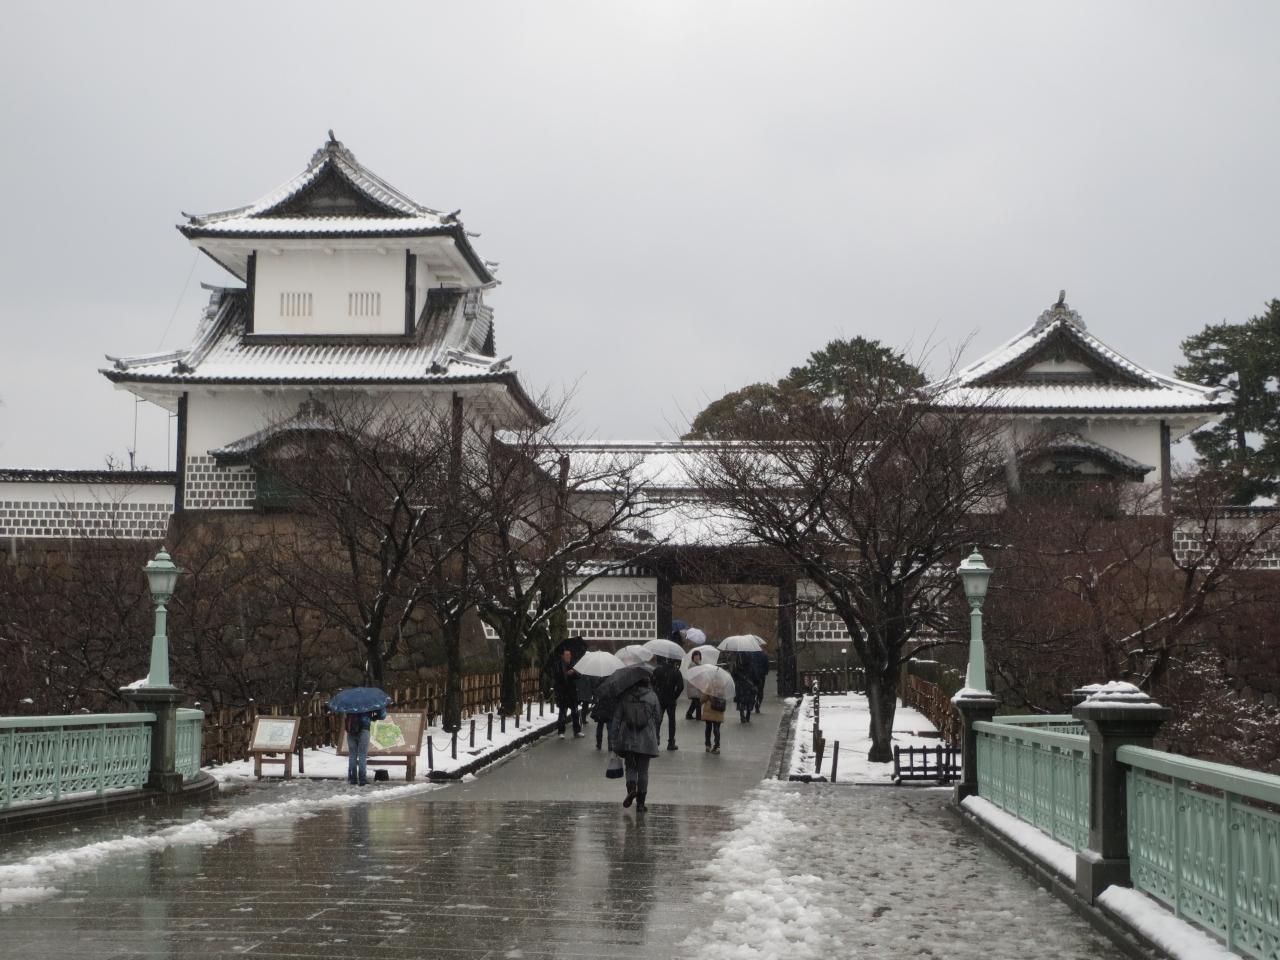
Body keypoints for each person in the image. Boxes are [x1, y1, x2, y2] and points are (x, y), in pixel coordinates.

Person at [610, 673, 661, 811]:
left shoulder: (625, 696)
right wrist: (656, 735)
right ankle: (640, 804)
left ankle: (632, 789)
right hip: (647, 739)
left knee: (630, 767)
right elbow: (658, 717)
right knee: (643, 771)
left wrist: (613, 739)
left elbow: (616, 718)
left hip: (628, 738)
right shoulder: (652, 696)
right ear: (647, 682)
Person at [346, 705, 387, 785]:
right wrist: (373, 717)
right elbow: (382, 715)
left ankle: (353, 779)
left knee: (352, 755)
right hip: (364, 729)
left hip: (351, 729)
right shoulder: (369, 701)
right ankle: (362, 779)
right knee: (362, 755)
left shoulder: (349, 700)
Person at [652, 656, 684, 750]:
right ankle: (671, 743)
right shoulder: (676, 672)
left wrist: (657, 692)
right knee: (671, 721)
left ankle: (655, 740)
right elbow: (680, 687)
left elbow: (652, 681)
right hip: (670, 700)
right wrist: (674, 696)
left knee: (658, 720)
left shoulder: (658, 670)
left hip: (660, 698)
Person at [552, 648, 583, 738]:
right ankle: (561, 731)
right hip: (562, 692)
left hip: (572, 692)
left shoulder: (573, 664)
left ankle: (577, 731)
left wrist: (574, 672)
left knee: (575, 712)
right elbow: (557, 677)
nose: (569, 656)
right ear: (562, 656)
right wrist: (566, 674)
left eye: (569, 655)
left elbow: (578, 676)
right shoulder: (558, 664)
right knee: (562, 713)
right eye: (566, 655)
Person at [732, 656, 757, 724]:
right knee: (749, 700)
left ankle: (742, 714)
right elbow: (755, 676)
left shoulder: (737, 665)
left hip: (740, 686)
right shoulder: (751, 665)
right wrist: (755, 683)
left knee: (741, 700)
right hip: (749, 686)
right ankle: (748, 715)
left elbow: (733, 675)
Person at [700, 687, 725, 753]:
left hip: (709, 710)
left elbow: (703, 699)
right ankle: (717, 746)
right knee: (716, 728)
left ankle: (708, 745)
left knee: (708, 727)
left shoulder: (709, 686)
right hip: (718, 709)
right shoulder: (722, 686)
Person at [749, 645, 770, 713]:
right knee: (760, 691)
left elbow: (749, 664)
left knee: (752, 690)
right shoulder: (764, 655)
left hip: (753, 675)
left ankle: (752, 702)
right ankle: (758, 704)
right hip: (761, 676)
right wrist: (765, 672)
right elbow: (767, 666)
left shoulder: (752, 655)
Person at [684, 649, 703, 720]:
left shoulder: (697, 665)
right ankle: (699, 717)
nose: (697, 657)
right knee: (698, 702)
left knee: (695, 702)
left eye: (698, 656)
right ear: (693, 657)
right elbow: (696, 675)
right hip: (693, 686)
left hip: (695, 686)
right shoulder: (692, 665)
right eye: (696, 656)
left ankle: (689, 714)